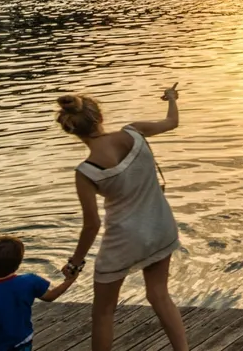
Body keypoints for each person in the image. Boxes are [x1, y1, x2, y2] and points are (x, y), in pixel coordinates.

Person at [55, 87, 186, 351]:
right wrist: (171, 98)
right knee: (159, 295)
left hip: (123, 241)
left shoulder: (86, 171)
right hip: (161, 227)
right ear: (99, 116)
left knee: (103, 312)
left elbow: (92, 224)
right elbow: (172, 122)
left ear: (71, 131)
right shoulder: (134, 132)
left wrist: (75, 262)